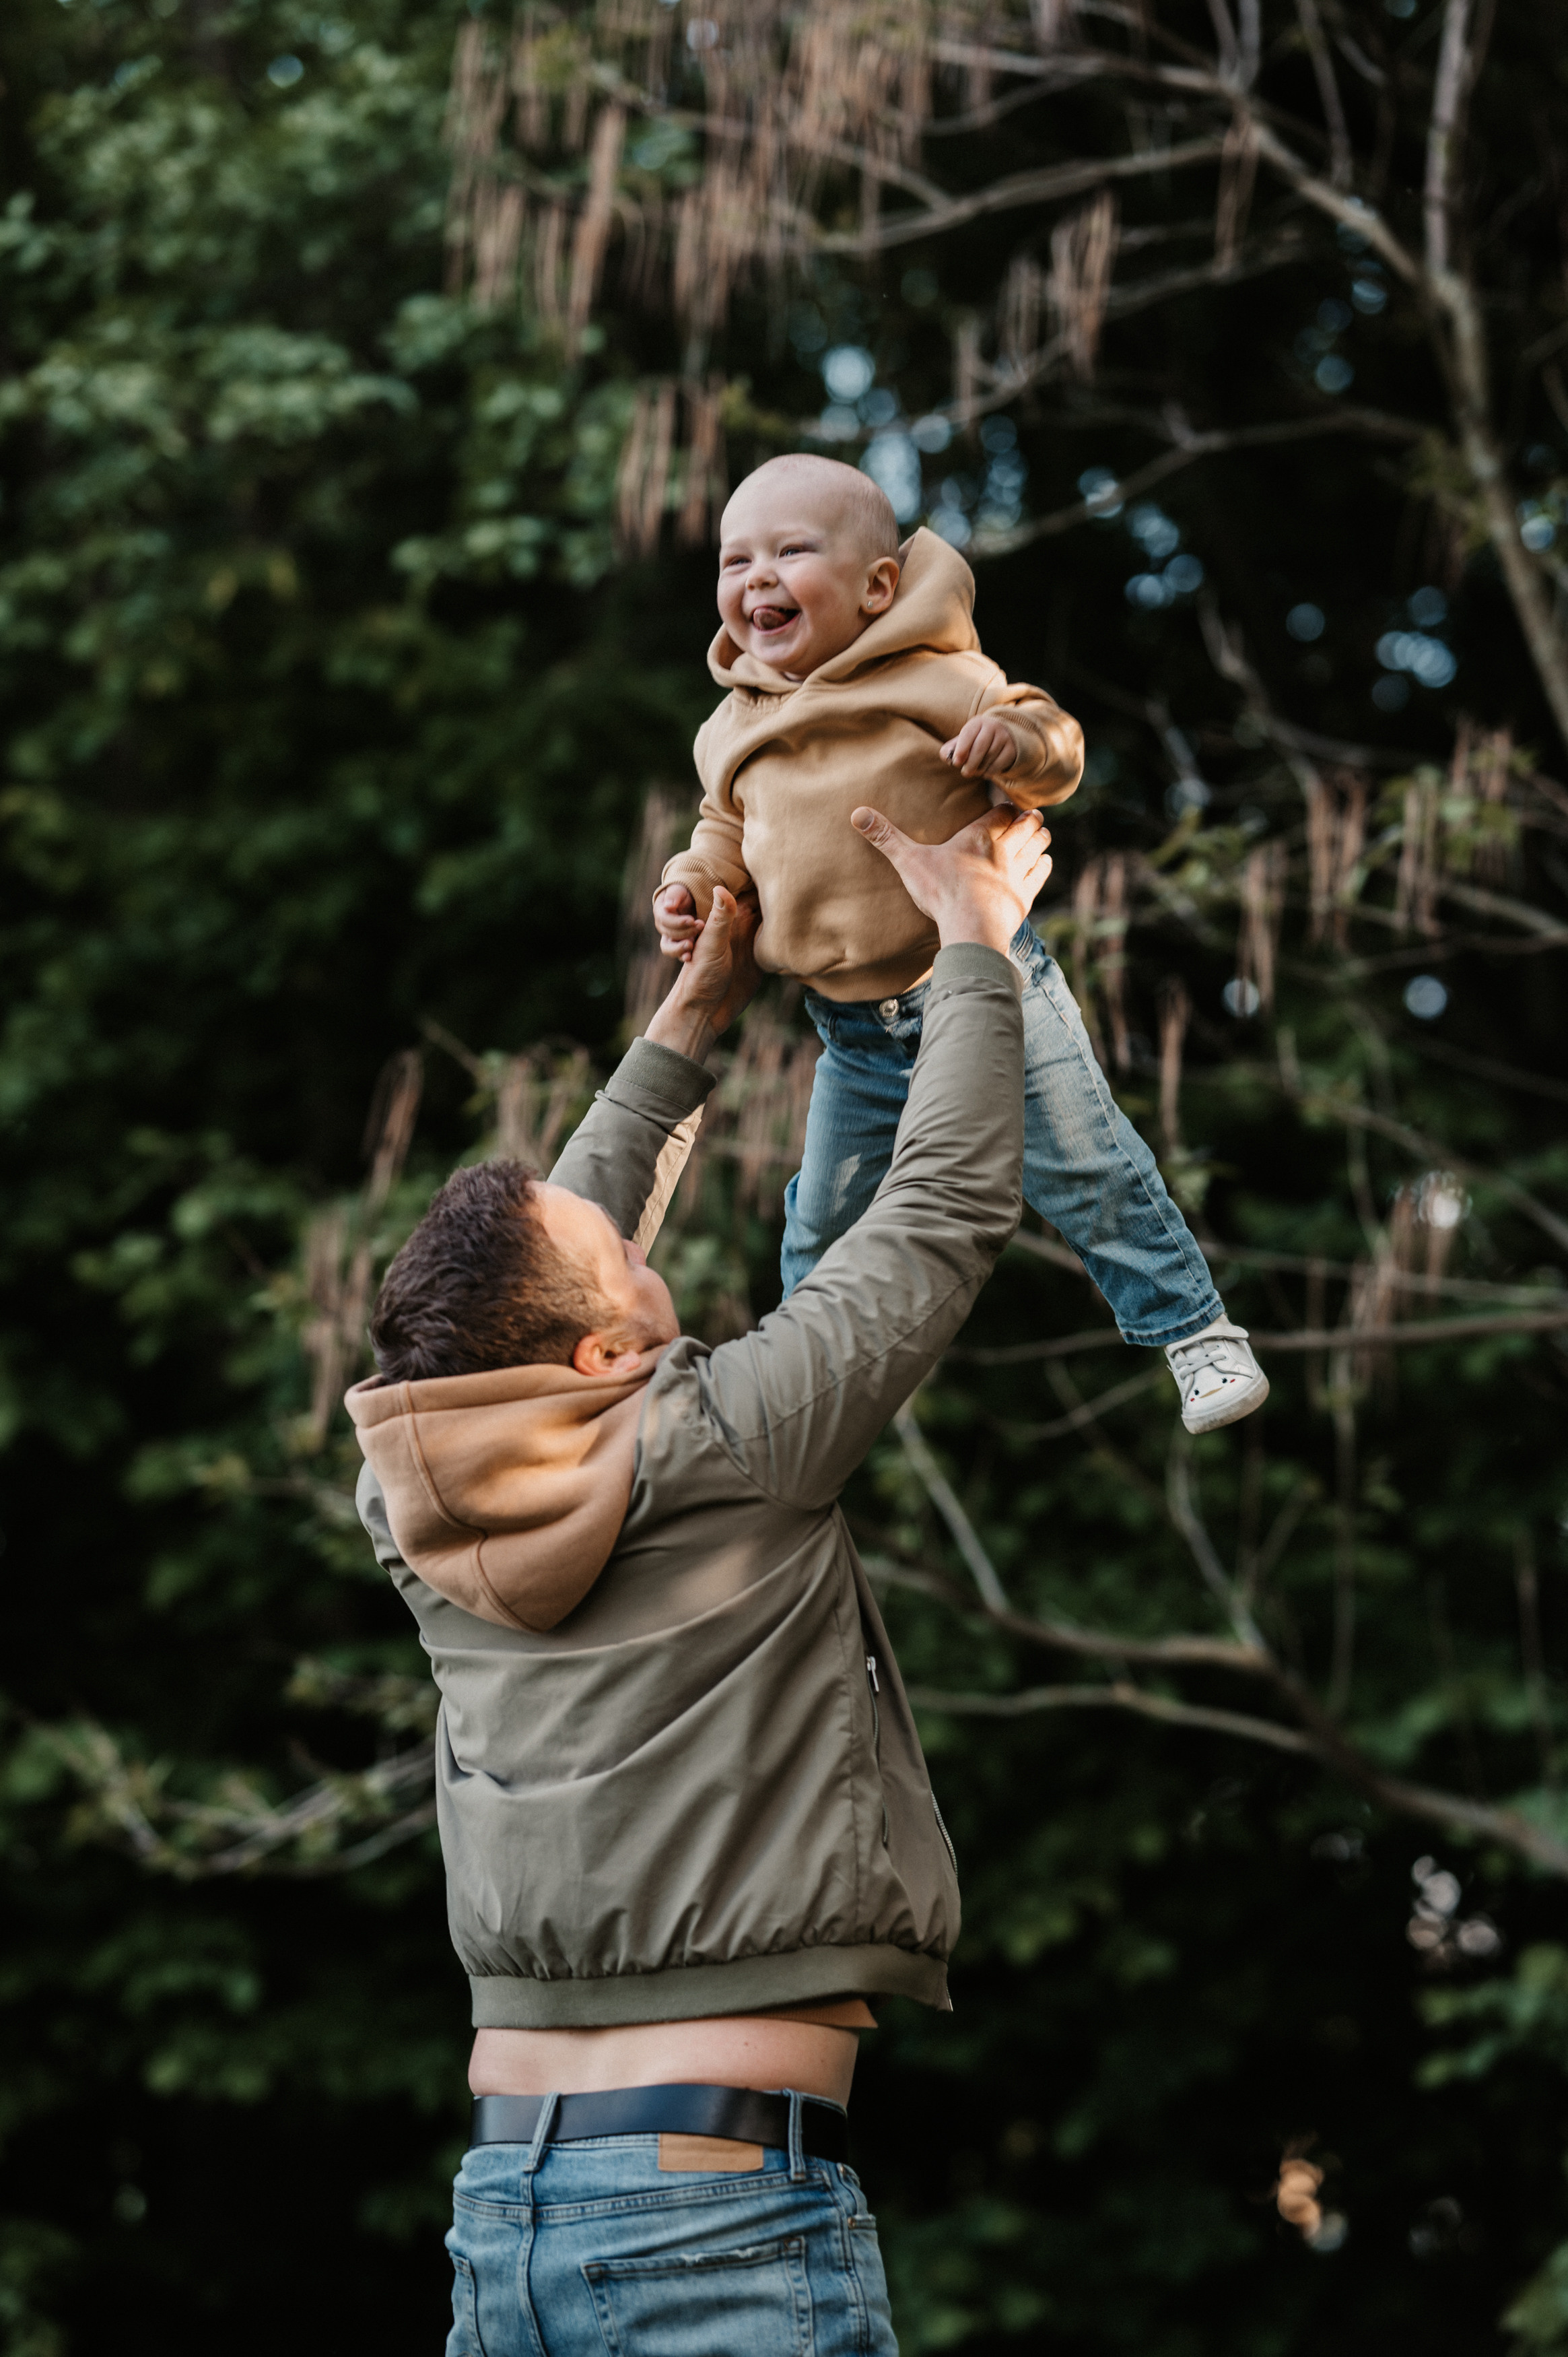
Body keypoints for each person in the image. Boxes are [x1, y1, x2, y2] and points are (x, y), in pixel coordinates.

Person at [347, 798, 1051, 2356]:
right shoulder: (723, 1446)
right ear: (604, 1353)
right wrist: (979, 939)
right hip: (713, 2226)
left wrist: (695, 1009)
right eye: (632, 1276)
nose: (652, 1262)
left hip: (503, 2228)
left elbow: (545, 1282)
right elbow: (937, 1215)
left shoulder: (408, 1507)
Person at [654, 453, 1268, 1435]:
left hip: (981, 986)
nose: (756, 577)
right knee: (821, 1220)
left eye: (789, 551)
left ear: (878, 588)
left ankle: (1194, 1331)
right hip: (850, 1031)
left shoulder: (935, 675)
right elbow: (720, 832)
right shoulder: (733, 723)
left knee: (1082, 1165)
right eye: (735, 560)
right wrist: (691, 888)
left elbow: (1050, 740)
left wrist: (1011, 749)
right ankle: (799, 1394)